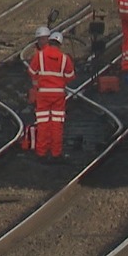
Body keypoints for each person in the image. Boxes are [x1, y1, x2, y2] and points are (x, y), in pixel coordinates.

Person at [28, 29, 75, 162]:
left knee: (43, 123)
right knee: (57, 124)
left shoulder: (40, 55)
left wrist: (40, 79)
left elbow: (31, 71)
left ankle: (41, 153)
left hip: (43, 94)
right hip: (58, 95)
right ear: (60, 44)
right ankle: (56, 153)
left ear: (49, 41)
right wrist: (60, 81)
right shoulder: (65, 58)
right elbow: (71, 76)